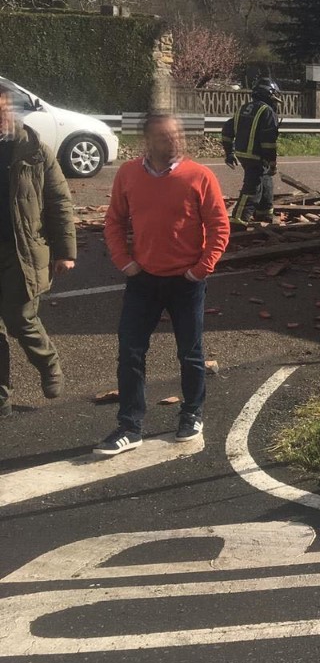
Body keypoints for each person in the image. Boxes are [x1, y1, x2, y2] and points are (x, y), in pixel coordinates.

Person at [97, 113, 230, 454]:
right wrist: (124, 261)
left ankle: (192, 413)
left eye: (177, 135)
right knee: (130, 351)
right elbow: (114, 221)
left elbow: (219, 226)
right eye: (164, 137)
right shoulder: (128, 174)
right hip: (143, 280)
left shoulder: (200, 176)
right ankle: (129, 425)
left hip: (186, 281)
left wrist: (201, 269)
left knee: (190, 352)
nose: (174, 141)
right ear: (148, 141)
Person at [0, 90, 75, 419]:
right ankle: (2, 397)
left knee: (21, 320)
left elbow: (59, 202)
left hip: (21, 251)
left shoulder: (34, 151)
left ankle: (48, 362)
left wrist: (65, 251)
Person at [221, 79, 282, 225]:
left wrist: (229, 152)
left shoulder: (244, 108)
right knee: (252, 188)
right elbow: (268, 142)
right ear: (269, 94)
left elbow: (227, 131)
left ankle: (264, 213)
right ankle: (239, 219)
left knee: (265, 180)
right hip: (256, 155)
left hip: (243, 154)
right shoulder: (267, 111)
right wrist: (272, 162)